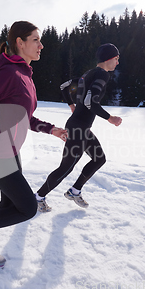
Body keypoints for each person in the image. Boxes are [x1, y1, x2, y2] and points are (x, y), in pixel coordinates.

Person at [0, 21, 68, 268]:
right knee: (27, 208)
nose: (41, 45)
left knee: (8, 203)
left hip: (12, 152)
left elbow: (26, 117)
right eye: (36, 40)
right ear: (20, 42)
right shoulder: (8, 74)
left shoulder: (25, 75)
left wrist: (51, 130)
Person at [35, 43, 122, 212]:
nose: (117, 63)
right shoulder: (103, 75)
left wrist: (71, 104)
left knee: (99, 159)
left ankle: (74, 191)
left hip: (81, 127)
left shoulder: (87, 74)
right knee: (66, 167)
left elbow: (63, 86)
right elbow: (90, 102)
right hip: (78, 129)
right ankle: (38, 197)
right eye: (117, 59)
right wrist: (110, 118)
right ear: (109, 58)